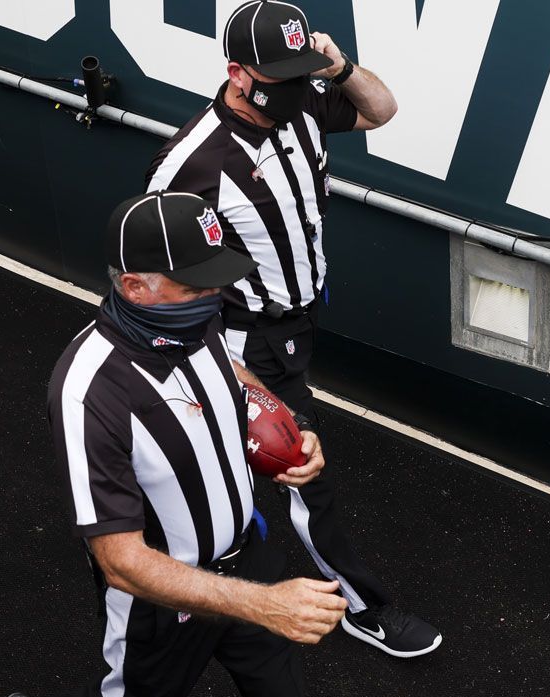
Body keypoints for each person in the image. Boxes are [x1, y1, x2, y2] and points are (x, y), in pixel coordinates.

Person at [1, 190, 374, 697]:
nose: (217, 291)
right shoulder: (89, 392)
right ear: (135, 285)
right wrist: (263, 607)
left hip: (249, 558)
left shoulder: (192, 318)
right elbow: (120, 560)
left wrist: (288, 430)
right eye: (198, 280)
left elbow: (236, 377)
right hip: (166, 596)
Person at [147, 0, 441, 658]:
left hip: (296, 323)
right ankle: (364, 609)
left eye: (300, 72)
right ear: (236, 72)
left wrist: (340, 67)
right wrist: (227, 368)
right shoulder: (191, 167)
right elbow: (157, 285)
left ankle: (186, 550)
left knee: (232, 461)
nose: (295, 88)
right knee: (303, 473)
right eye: (277, 77)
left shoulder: (305, 101)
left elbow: (379, 109)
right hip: (244, 341)